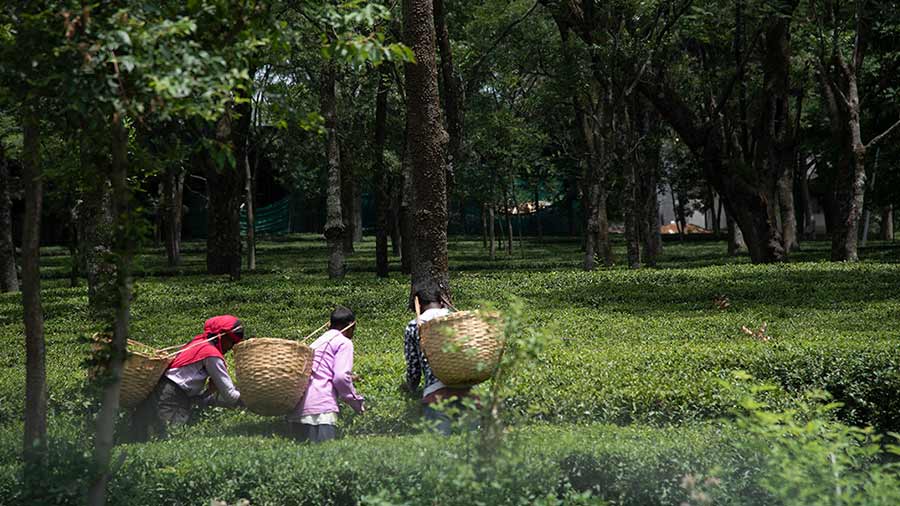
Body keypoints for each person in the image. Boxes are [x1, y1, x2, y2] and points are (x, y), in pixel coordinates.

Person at [131, 315, 244, 441]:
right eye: (231, 341)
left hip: (161, 391)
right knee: (168, 440)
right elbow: (230, 395)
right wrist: (253, 400)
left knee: (145, 439)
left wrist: (209, 394)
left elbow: (194, 389)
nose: (231, 347)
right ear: (221, 336)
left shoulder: (196, 343)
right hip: (171, 398)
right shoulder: (211, 355)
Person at [287, 306, 365, 443]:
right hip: (321, 411)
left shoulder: (317, 342)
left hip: (298, 410)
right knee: (325, 460)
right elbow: (340, 377)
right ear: (351, 325)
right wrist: (356, 402)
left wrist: (351, 378)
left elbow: (321, 371)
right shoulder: (344, 342)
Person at [404, 287, 475, 436]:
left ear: (418, 304)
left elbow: (413, 368)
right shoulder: (459, 320)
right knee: (475, 447)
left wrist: (410, 388)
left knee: (440, 448)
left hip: (436, 393)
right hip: (468, 390)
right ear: (442, 302)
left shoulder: (414, 326)